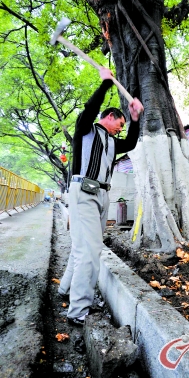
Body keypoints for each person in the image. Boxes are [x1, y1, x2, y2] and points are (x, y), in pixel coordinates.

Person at [58, 67, 144, 326]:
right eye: (120, 124)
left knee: (80, 248)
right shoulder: (87, 130)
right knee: (91, 251)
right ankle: (78, 311)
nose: (120, 130)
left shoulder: (112, 142)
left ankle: (65, 290)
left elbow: (130, 144)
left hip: (102, 196)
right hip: (83, 190)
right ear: (108, 117)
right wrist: (106, 84)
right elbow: (90, 110)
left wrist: (135, 118)